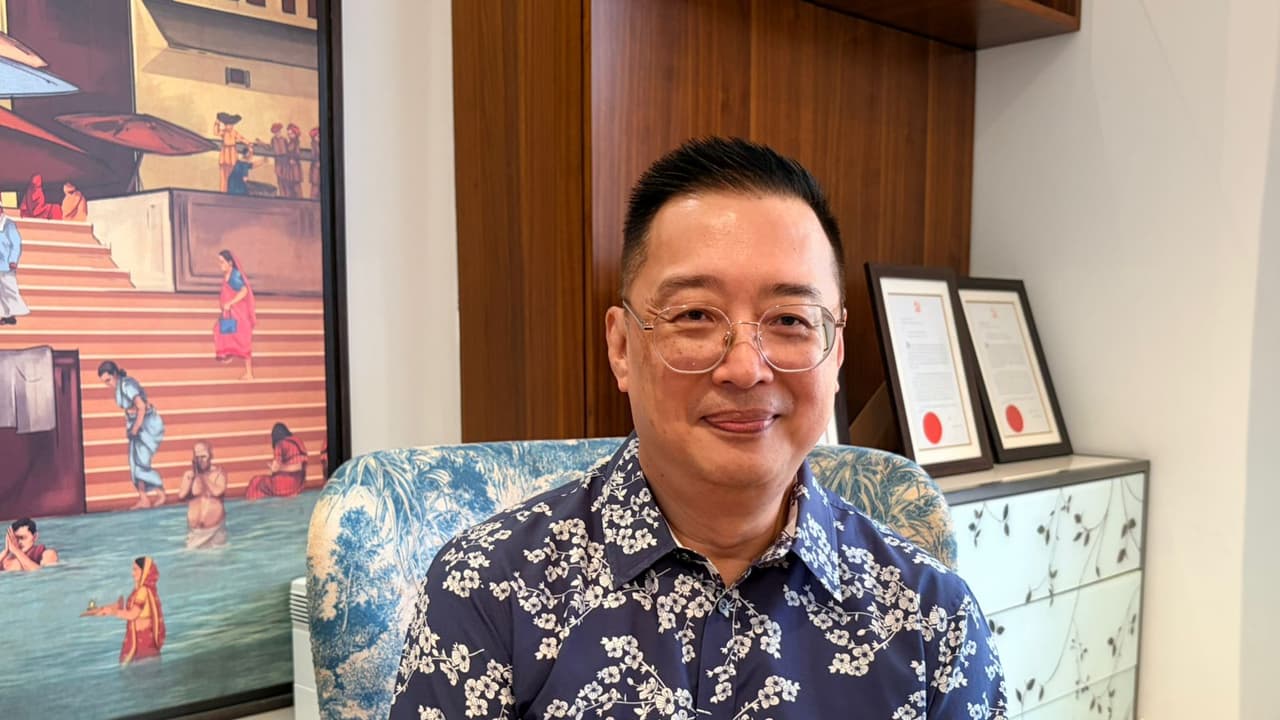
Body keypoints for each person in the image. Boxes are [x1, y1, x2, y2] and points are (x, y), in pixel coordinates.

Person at [389, 138, 1008, 719]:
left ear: (836, 353)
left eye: (790, 320)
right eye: (693, 315)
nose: (745, 368)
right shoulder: (487, 590)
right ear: (622, 347)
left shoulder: (934, 621)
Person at [98, 361, 167, 509]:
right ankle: (144, 498)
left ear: (115, 374)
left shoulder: (127, 385)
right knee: (134, 463)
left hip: (145, 424)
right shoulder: (119, 387)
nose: (108, 384)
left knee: (142, 462)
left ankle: (161, 493)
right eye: (105, 382)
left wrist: (135, 428)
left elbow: (141, 407)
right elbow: (129, 410)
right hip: (134, 424)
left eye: (108, 380)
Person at [83, 556, 166, 665]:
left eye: (135, 570)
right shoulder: (139, 591)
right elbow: (128, 610)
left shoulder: (143, 591)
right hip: (142, 642)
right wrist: (104, 610)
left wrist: (113, 612)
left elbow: (132, 615)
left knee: (141, 671)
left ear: (144, 571)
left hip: (143, 643)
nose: (133, 573)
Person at [214, 249, 256, 380]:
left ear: (230, 263)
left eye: (222, 262)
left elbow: (244, 291)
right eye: (219, 262)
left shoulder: (234, 276)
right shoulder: (228, 275)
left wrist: (230, 303)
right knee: (221, 331)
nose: (220, 265)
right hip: (230, 314)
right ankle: (228, 354)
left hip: (239, 314)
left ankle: (249, 373)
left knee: (243, 341)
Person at [177, 440, 227, 549]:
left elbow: (217, 491)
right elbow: (181, 496)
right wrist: (193, 478)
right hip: (194, 534)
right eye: (197, 457)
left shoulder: (219, 474)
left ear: (210, 456)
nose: (200, 460)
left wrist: (202, 476)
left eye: (203, 456)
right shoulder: (189, 475)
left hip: (215, 532)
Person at [244, 422, 308, 500]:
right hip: (298, 485)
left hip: (285, 485)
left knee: (256, 482)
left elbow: (297, 467)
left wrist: (277, 468)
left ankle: (252, 503)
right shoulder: (298, 442)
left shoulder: (280, 444)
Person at [0, 205, 29, 326]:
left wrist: (13, 260)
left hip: (6, 264)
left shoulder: (9, 224)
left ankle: (14, 313)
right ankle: (5, 315)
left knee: (9, 289)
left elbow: (16, 243)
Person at [214, 112, 248, 192]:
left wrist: (248, 143)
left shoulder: (234, 132)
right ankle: (223, 191)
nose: (229, 126)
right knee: (223, 173)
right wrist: (217, 122)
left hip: (232, 153)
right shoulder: (223, 132)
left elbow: (241, 138)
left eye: (230, 124)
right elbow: (216, 132)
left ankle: (231, 191)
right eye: (227, 124)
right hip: (225, 153)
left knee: (233, 172)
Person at [309, 126, 321, 200]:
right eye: (317, 136)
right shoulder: (314, 145)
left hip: (319, 168)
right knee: (315, 185)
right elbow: (313, 156)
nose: (318, 138)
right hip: (315, 168)